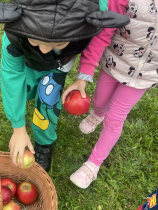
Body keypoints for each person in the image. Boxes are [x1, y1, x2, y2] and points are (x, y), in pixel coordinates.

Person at [0, 0, 129, 172]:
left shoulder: (86, 22)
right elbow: (11, 77)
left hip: (58, 66)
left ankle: (44, 143)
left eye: (58, 44)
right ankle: (29, 96)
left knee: (47, 100)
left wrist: (83, 75)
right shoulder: (15, 36)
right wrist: (18, 127)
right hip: (26, 60)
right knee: (23, 90)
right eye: (36, 41)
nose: (44, 50)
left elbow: (99, 37)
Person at [62, 0, 158, 188]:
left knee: (115, 118)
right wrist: (85, 74)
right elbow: (104, 32)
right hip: (114, 62)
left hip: (143, 75)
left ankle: (92, 166)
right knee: (99, 100)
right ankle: (97, 114)